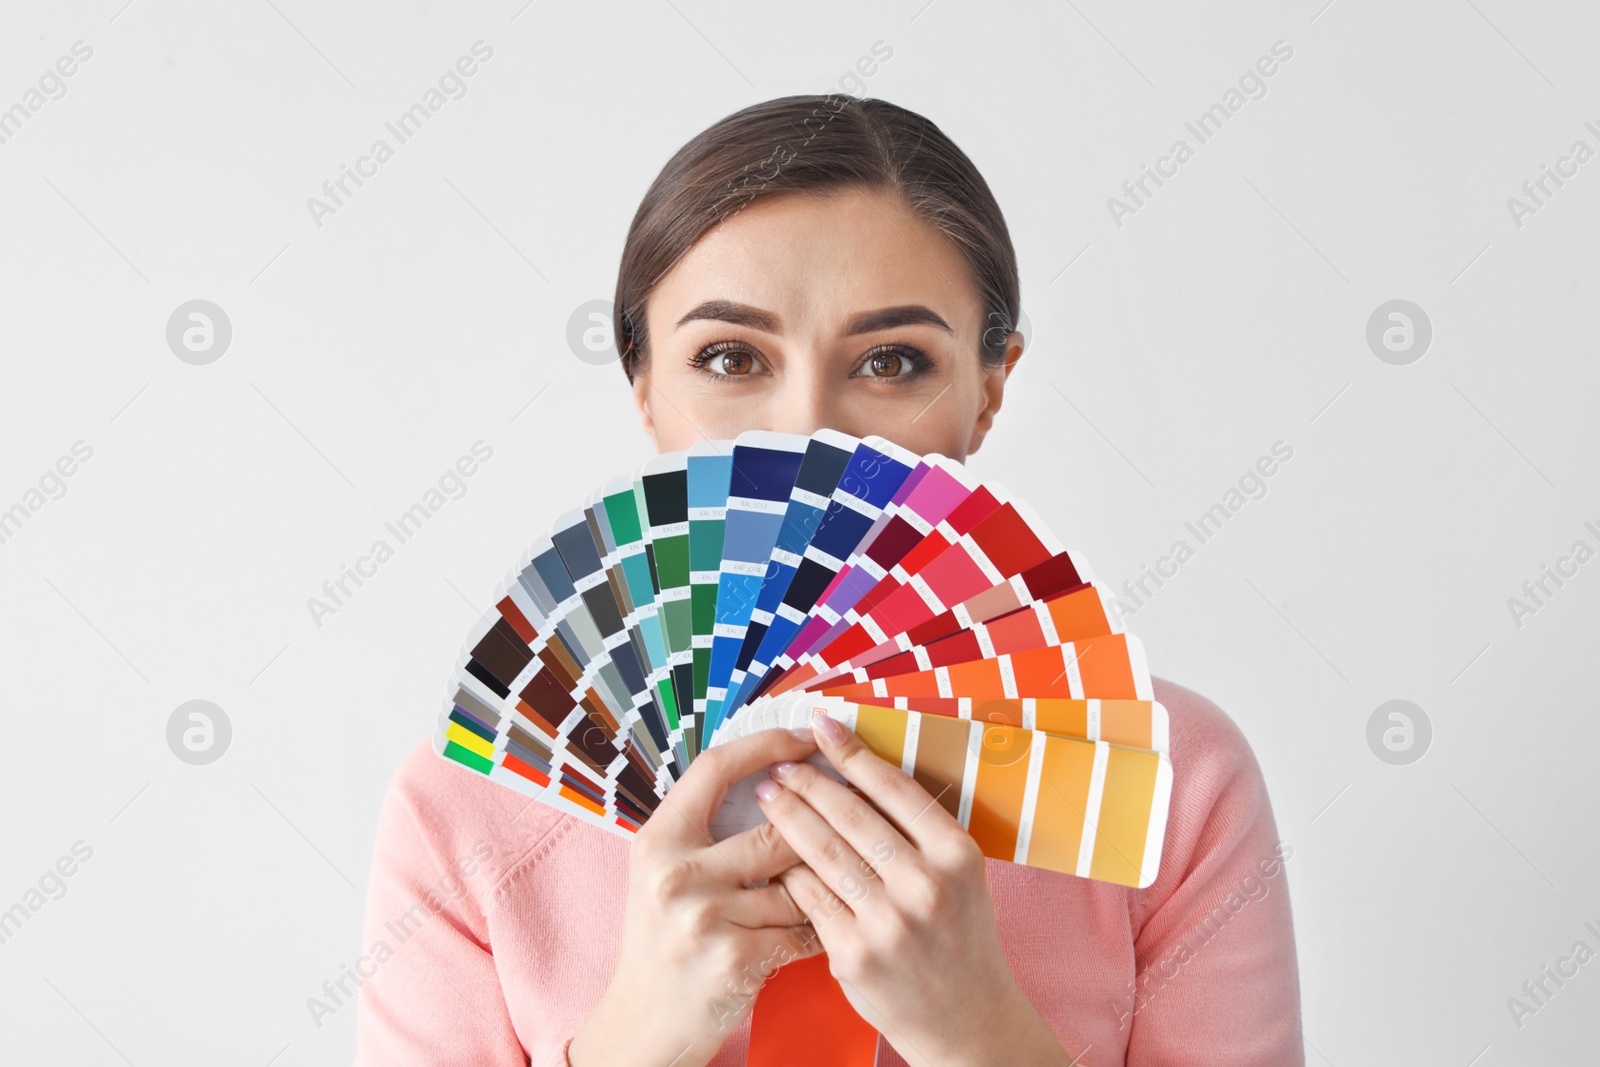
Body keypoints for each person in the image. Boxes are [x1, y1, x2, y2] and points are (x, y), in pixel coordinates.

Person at [352, 94, 1304, 1066]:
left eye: (892, 361)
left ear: (991, 388)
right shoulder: (469, 804)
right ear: (643, 388)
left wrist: (978, 1029)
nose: (807, 431)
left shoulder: (1170, 781)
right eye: (729, 357)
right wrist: (639, 1035)